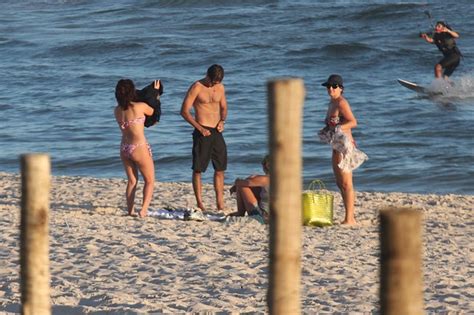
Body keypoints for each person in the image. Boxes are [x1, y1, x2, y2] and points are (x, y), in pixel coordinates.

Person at [318, 74, 368, 225]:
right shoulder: (331, 103)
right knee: (340, 184)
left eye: (334, 86)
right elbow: (333, 123)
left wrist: (339, 128)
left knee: (347, 183)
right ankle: (349, 216)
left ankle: (350, 219)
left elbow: (353, 122)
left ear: (340, 88)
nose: (330, 89)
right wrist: (326, 129)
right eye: (328, 86)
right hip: (336, 146)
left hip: (344, 146)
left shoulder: (341, 103)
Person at [180, 64, 228, 212]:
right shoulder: (197, 87)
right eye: (212, 81)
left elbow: (224, 107)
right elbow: (184, 111)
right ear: (207, 76)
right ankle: (200, 203)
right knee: (198, 169)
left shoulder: (220, 87)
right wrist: (199, 128)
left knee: (220, 168)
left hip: (216, 131)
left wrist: (222, 121)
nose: (214, 84)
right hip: (202, 131)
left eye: (217, 82)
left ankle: (220, 204)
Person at [114, 79, 160, 217]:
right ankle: (143, 210)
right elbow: (153, 110)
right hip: (138, 147)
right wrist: (155, 92)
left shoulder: (116, 110)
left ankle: (130, 211)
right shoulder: (139, 107)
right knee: (150, 180)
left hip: (124, 147)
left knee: (132, 181)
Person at [228, 155, 270, 222]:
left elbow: (240, 182)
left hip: (263, 217)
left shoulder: (264, 179)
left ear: (267, 166)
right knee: (258, 189)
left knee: (242, 186)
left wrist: (237, 183)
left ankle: (240, 212)